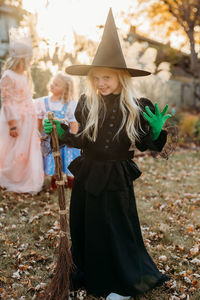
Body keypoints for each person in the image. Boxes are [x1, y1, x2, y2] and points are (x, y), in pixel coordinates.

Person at [44, 9, 171, 300]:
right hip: (89, 174)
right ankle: (89, 273)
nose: (101, 83)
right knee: (86, 224)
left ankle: (121, 283)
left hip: (115, 177)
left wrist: (154, 133)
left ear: (121, 77)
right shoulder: (88, 103)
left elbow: (145, 145)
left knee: (115, 228)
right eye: (97, 77)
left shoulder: (135, 107)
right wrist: (59, 131)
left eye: (107, 77)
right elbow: (81, 139)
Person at [0, 28, 44, 194]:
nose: (30, 62)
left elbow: (27, 96)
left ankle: (25, 178)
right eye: (29, 59)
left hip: (28, 117)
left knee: (26, 149)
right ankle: (11, 177)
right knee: (15, 150)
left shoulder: (25, 75)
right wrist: (12, 124)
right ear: (22, 59)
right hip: (15, 119)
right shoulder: (8, 76)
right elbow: (7, 101)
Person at [34, 72, 80, 190]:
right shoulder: (43, 102)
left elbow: (74, 123)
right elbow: (39, 120)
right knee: (53, 160)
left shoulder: (70, 104)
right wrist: (38, 134)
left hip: (65, 138)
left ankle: (71, 181)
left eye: (57, 84)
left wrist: (73, 140)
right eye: (53, 82)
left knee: (69, 159)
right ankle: (55, 181)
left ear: (65, 89)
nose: (52, 85)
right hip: (50, 139)